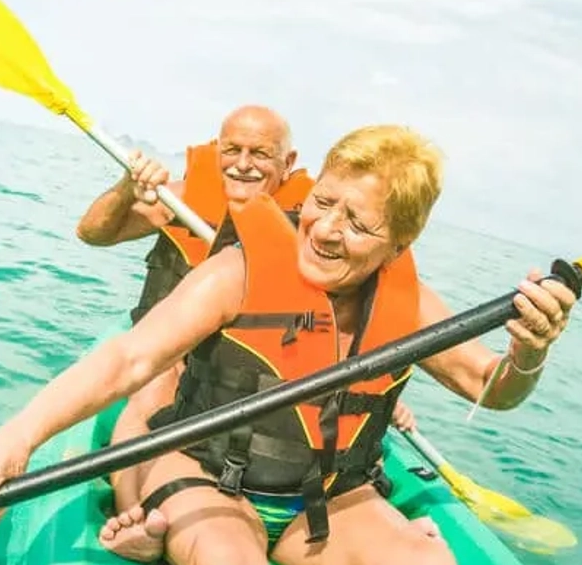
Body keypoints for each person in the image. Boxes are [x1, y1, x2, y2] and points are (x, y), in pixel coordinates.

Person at [0, 124, 578, 565]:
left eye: (358, 223)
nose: (325, 228)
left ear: (399, 244)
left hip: (323, 500)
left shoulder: (409, 300)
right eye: (323, 202)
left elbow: (490, 389)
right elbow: (129, 361)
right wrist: (11, 441)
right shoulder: (239, 269)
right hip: (210, 476)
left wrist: (528, 355)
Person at [73, 105, 415, 522]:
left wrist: (376, 393)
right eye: (232, 150)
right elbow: (92, 233)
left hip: (243, 371)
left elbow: (335, 324)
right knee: (154, 387)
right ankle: (131, 513)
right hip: (169, 352)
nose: (243, 165)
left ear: (287, 163)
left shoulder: (312, 226)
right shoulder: (178, 198)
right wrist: (128, 189)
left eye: (260, 154)